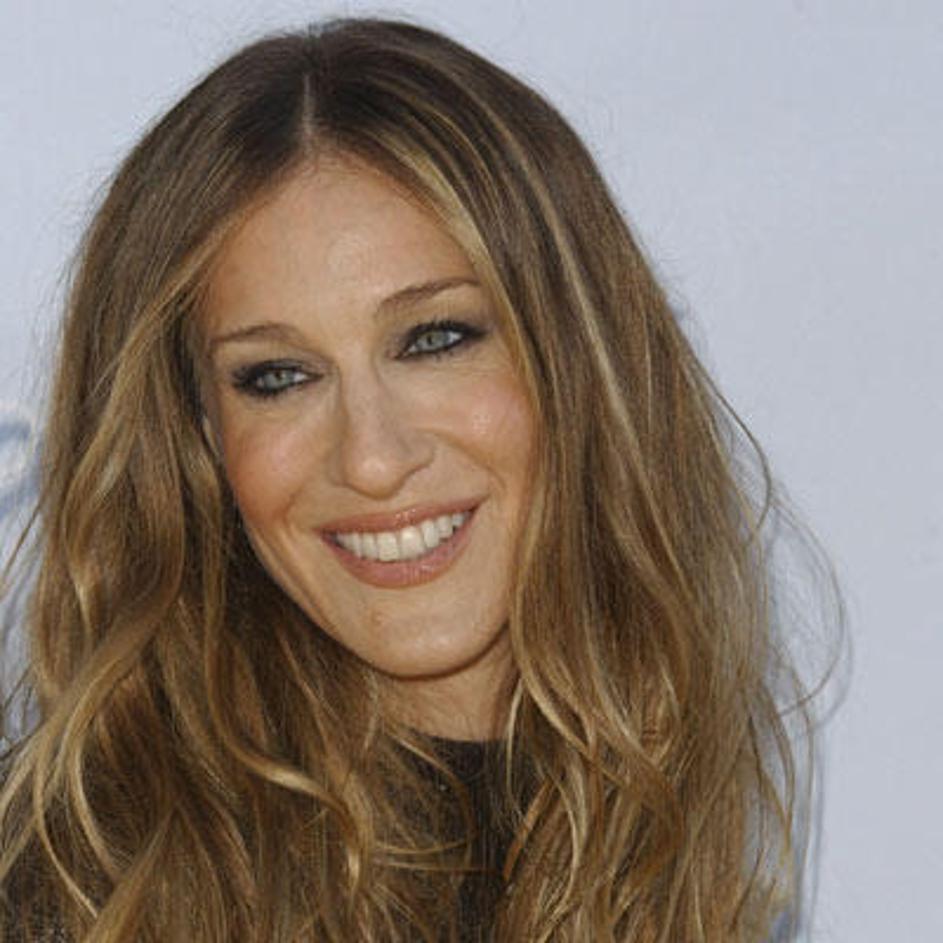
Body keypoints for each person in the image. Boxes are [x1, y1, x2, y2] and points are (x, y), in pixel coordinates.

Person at [0, 16, 822, 941]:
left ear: (577, 360)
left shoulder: (674, 840)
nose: (373, 458)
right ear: (194, 437)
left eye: (434, 339)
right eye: (278, 376)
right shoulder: (66, 889)